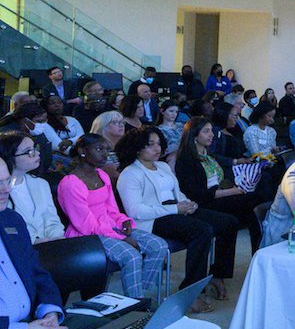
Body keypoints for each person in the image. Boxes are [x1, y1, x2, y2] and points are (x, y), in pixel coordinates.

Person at [116, 127, 238, 309]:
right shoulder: (130, 174)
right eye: (150, 145)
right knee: (202, 231)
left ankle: (217, 274)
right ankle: (189, 292)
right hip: (153, 219)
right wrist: (175, 208)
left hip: (176, 209)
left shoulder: (163, 166)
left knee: (229, 222)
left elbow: (177, 192)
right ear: (137, 148)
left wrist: (189, 204)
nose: (157, 149)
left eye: (159, 144)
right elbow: (135, 211)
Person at [57, 135, 169, 299]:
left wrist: (123, 221)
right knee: (131, 256)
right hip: (87, 235)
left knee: (159, 246)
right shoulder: (70, 183)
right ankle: (135, 303)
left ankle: (139, 291)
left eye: (107, 150)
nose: (104, 155)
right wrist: (120, 237)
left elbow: (111, 207)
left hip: (109, 226)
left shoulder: (102, 175)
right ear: (82, 151)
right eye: (99, 149)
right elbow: (85, 224)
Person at [0, 154, 67, 329]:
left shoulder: (12, 220)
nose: (6, 190)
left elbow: (37, 273)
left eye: (6, 180)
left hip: (34, 325)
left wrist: (50, 315)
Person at [174, 117, 270, 253]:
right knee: (254, 202)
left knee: (255, 207)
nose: (211, 135)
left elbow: (221, 178)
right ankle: (258, 252)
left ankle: (259, 253)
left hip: (220, 194)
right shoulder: (186, 160)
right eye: (206, 131)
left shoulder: (209, 155)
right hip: (204, 201)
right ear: (194, 134)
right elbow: (196, 194)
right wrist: (233, 191)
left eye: (211, 131)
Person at [0, 132, 64, 244]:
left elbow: (52, 220)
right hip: (21, 247)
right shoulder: (3, 192)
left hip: (52, 245)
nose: (37, 153)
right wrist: (35, 241)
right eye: (29, 152)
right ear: (9, 157)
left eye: (35, 148)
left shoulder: (40, 183)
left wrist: (55, 240)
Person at [88, 110, 124, 182]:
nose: (121, 125)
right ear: (102, 126)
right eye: (115, 122)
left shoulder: (126, 145)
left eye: (122, 122)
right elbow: (116, 176)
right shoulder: (97, 149)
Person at [156, 100, 183, 165]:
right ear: (162, 111)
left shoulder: (182, 126)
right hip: (169, 158)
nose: (174, 114)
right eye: (171, 111)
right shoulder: (158, 130)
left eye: (176, 112)